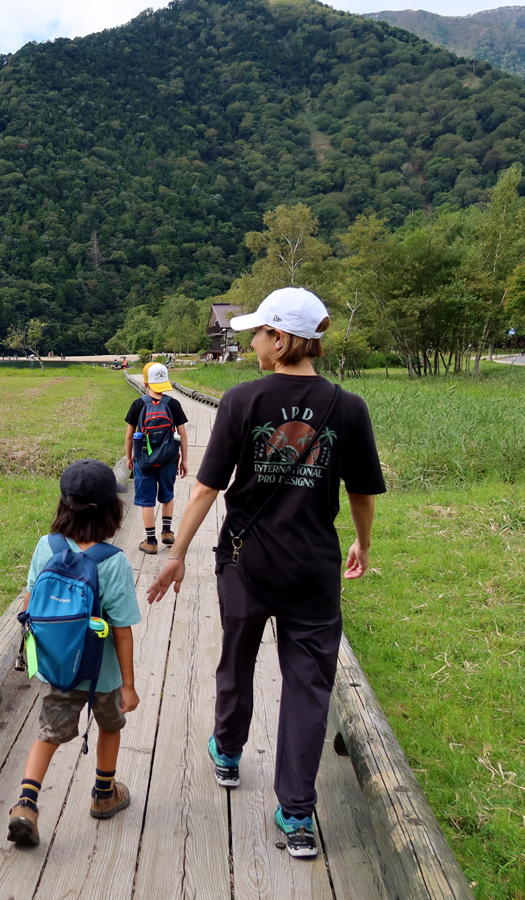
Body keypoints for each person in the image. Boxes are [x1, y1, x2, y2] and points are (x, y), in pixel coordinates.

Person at [146, 287, 385, 859]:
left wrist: (176, 552)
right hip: (314, 569)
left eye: (258, 333)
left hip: (246, 562)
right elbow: (362, 491)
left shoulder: (242, 401)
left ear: (280, 340)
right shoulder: (347, 407)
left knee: (238, 656)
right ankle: (298, 814)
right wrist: (362, 544)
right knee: (309, 686)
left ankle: (227, 752)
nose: (251, 341)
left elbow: (205, 487)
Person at [8, 460, 141, 847]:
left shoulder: (46, 547)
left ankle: (26, 804)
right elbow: (122, 630)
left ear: (63, 506)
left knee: (48, 734)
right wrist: (129, 685)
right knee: (110, 725)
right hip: (104, 674)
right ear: (112, 513)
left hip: (60, 668)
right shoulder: (111, 562)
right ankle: (104, 794)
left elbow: (32, 602)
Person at [125, 362, 189, 554]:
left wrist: (130, 457)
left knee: (147, 500)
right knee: (167, 495)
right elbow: (182, 434)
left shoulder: (138, 404)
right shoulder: (173, 404)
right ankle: (167, 532)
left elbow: (129, 435)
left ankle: (151, 541)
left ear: (146, 383)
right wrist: (184, 460)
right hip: (169, 460)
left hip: (144, 461)